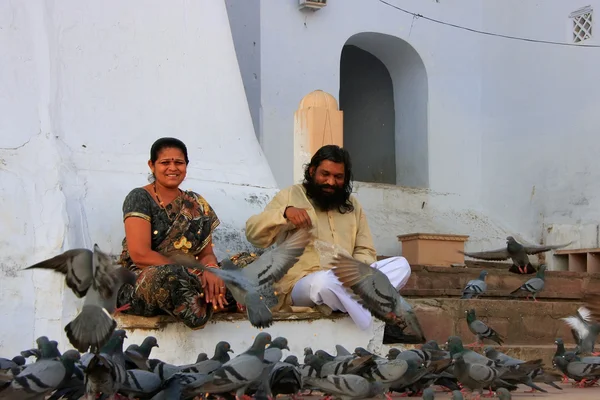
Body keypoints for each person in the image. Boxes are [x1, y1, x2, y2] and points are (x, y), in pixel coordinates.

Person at [245, 145, 412, 335]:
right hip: (302, 284)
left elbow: (365, 250)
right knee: (324, 283)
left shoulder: (353, 206)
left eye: (338, 177)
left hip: (348, 279)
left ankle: (354, 302)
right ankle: (365, 308)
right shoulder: (290, 196)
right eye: (325, 174)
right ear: (312, 171)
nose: (331, 182)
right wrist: (285, 214)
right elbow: (253, 234)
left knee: (401, 265)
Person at [116, 137, 239, 329]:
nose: (172, 168)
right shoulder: (139, 198)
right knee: (170, 277)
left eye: (179, 163)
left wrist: (211, 270)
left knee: (244, 263)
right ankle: (219, 301)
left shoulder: (197, 203)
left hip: (194, 277)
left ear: (186, 166)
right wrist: (195, 273)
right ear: (152, 165)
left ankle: (206, 300)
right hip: (153, 278)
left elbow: (206, 253)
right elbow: (140, 255)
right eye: (165, 162)